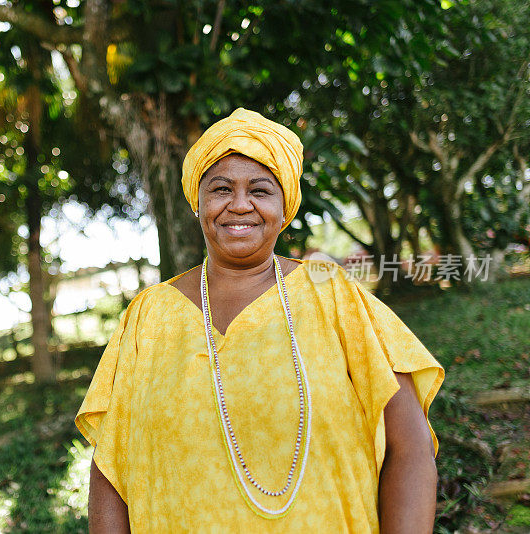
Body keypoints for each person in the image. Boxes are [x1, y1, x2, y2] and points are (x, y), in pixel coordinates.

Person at [75, 108, 444, 532]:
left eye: (260, 190)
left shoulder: (332, 294)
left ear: (285, 205)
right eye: (220, 188)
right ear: (198, 202)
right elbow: (110, 470)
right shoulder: (148, 316)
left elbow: (411, 447)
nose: (239, 205)